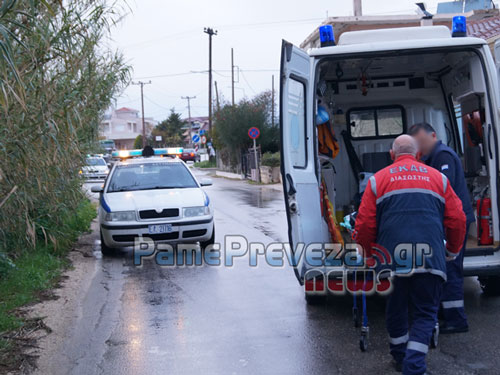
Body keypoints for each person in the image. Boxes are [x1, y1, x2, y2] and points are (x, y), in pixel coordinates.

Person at [353, 135, 466, 375]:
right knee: (425, 312)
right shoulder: (439, 179)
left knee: (396, 309)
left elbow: (363, 225)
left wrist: (368, 254)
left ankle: (403, 359)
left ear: (392, 155)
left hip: (391, 261)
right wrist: (452, 250)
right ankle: (414, 364)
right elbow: (457, 219)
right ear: (418, 155)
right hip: (430, 259)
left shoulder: (376, 181)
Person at [409, 122, 474, 334]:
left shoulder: (443, 156)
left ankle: (456, 320)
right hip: (446, 221)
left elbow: (444, 192)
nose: (420, 147)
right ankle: (447, 315)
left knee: (451, 270)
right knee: (445, 270)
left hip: (452, 222)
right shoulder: (431, 157)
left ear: (433, 135)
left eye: (421, 142)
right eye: (416, 144)